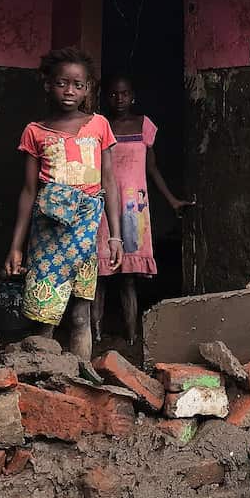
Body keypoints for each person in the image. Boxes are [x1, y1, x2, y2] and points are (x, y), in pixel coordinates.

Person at [4, 47, 123, 362]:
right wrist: (16, 246)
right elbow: (29, 191)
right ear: (48, 84)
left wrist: (115, 236)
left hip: (85, 235)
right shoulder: (35, 132)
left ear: (87, 89)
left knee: (81, 314)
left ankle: (81, 382)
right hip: (47, 234)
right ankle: (42, 377)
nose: (70, 91)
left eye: (78, 85)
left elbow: (109, 182)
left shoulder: (99, 126)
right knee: (44, 316)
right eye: (62, 83)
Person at [93, 75, 192, 344]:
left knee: (128, 278)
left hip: (134, 207)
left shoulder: (144, 125)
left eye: (124, 93)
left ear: (132, 96)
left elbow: (151, 168)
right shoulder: (100, 126)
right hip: (103, 204)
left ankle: (132, 337)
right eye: (113, 94)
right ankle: (96, 336)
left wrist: (171, 200)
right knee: (99, 274)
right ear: (106, 98)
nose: (119, 98)